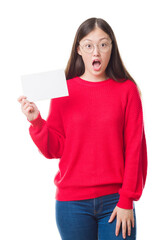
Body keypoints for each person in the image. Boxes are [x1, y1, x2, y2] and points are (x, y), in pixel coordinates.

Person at [18, 17, 148, 240]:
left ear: (111, 48)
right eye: (89, 45)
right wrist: (37, 122)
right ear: (79, 49)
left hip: (116, 201)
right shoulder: (64, 89)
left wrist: (128, 199)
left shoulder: (127, 90)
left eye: (103, 44)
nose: (96, 52)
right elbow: (55, 149)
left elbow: (136, 149)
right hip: (71, 205)